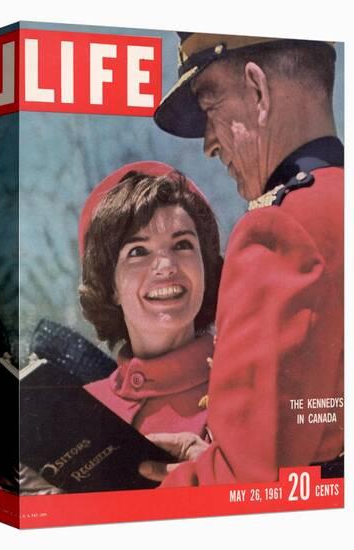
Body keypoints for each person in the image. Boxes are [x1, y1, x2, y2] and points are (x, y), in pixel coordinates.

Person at [138, 34, 344, 484]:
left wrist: (129, 497)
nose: (209, 145)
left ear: (258, 92)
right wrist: (215, 451)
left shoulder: (279, 230)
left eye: (210, 109)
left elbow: (244, 486)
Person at [78, 161, 223, 440]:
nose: (166, 265)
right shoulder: (78, 411)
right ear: (111, 286)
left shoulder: (247, 384)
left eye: (182, 245)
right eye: (138, 251)